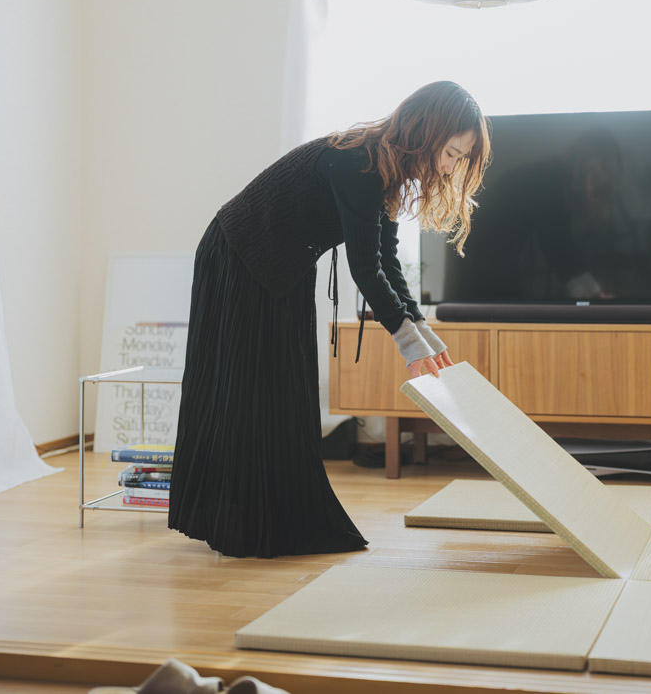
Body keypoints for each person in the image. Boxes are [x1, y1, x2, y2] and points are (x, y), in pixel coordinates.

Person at [167, 80, 491, 558]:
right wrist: (408, 344)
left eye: (460, 159)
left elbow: (387, 262)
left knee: (285, 392)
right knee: (247, 390)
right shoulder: (359, 163)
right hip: (238, 254)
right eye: (451, 153)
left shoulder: (386, 172)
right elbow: (365, 269)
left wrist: (424, 332)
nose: (450, 167)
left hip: (284, 267)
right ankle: (236, 521)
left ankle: (272, 518)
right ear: (425, 133)